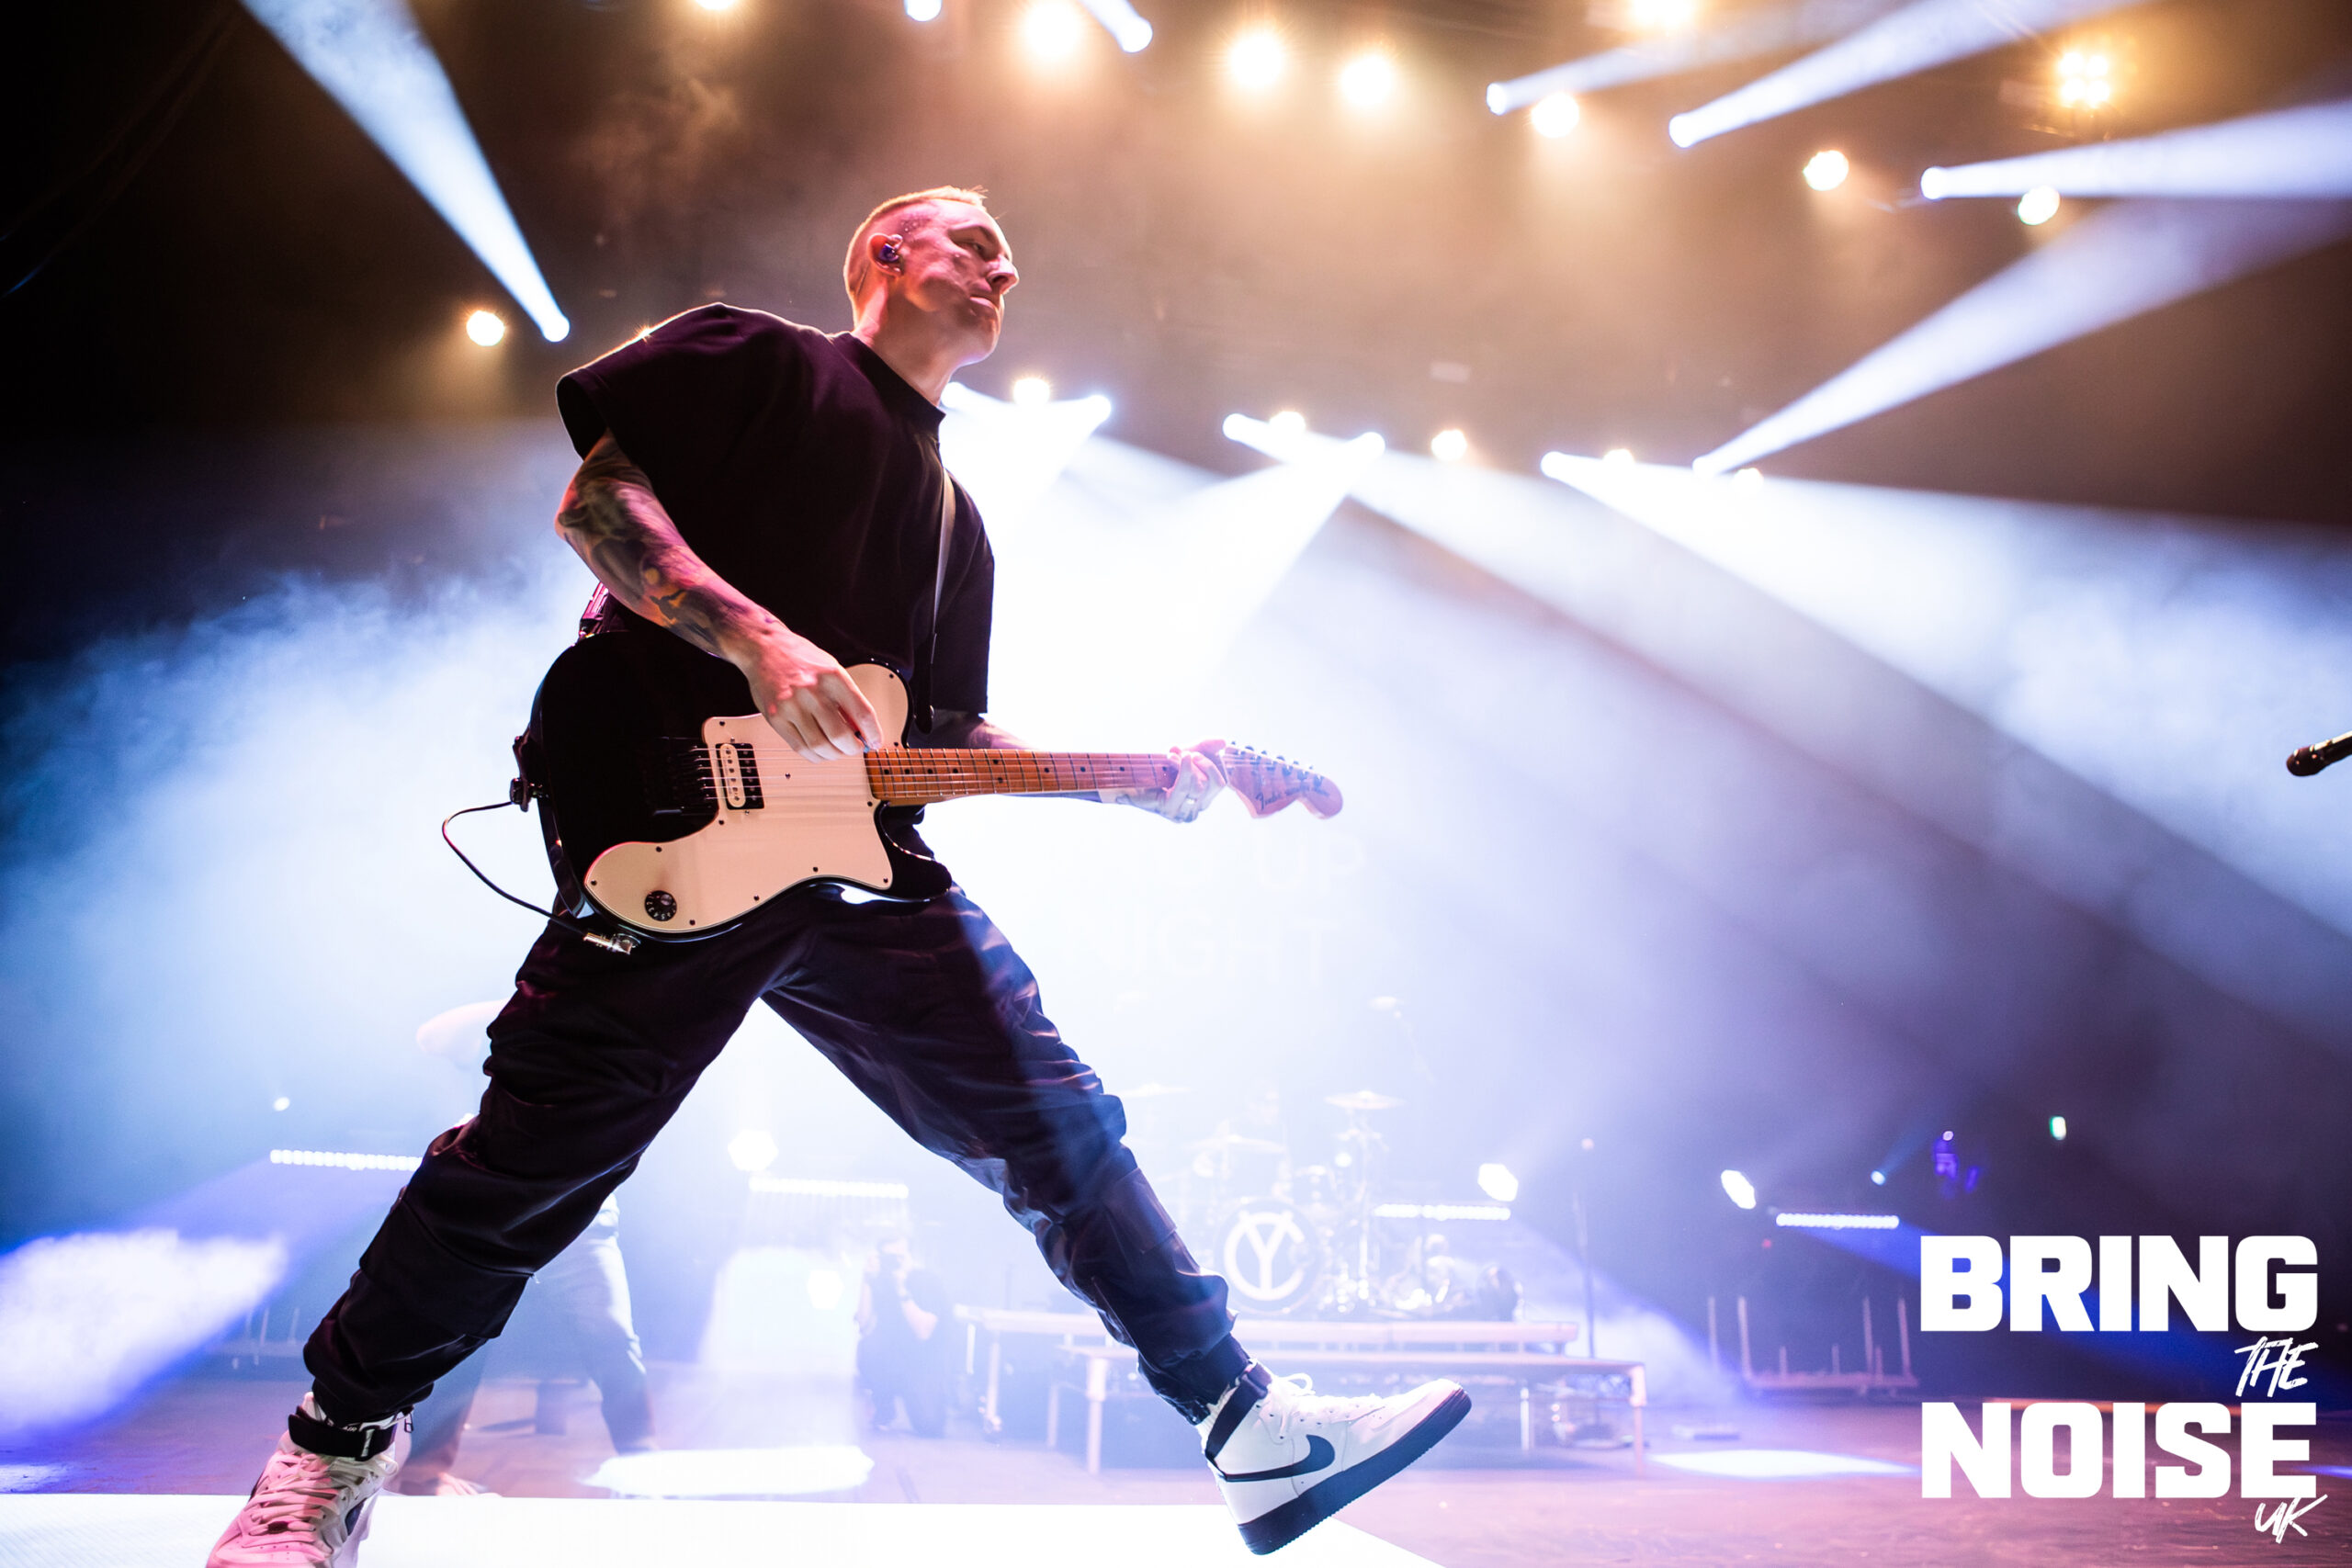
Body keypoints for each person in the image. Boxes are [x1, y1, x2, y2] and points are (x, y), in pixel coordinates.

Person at [206, 186, 1466, 1567]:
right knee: (533, 1161)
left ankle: (1251, 1428)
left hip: (860, 869)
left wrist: (1141, 775)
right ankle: (326, 1455)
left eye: (1007, 257)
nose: (1004, 268)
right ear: (886, 253)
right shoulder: (755, 356)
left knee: (1060, 1126)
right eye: (974, 243)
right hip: (669, 827)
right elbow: (598, 504)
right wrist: (760, 642)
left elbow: (942, 741)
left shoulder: (957, 522)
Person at [854, 1237, 954, 1438]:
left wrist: (902, 1288)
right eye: (889, 1257)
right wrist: (867, 1279)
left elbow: (923, 1332)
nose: (895, 1262)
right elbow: (863, 1325)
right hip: (892, 1360)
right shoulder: (879, 1281)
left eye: (900, 1257)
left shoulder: (927, 1281)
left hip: (923, 1363)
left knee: (929, 1426)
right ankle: (884, 1404)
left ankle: (923, 1399)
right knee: (868, 1346)